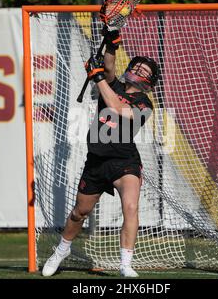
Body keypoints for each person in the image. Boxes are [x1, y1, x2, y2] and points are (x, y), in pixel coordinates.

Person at [42, 25, 160, 278]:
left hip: (124, 161)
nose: (138, 70)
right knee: (79, 212)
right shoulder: (113, 84)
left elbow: (117, 107)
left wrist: (96, 78)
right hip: (96, 160)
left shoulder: (144, 104)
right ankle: (61, 250)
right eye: (137, 66)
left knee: (131, 207)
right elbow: (108, 67)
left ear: (149, 82)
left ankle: (126, 264)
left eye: (144, 71)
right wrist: (112, 42)